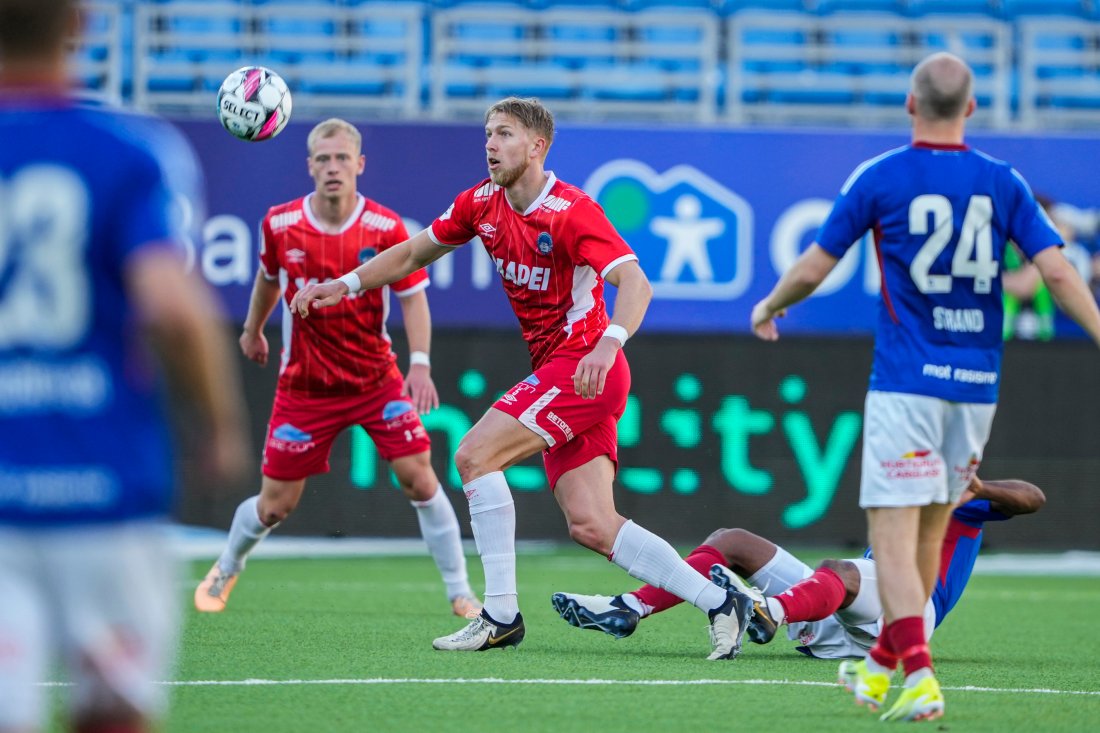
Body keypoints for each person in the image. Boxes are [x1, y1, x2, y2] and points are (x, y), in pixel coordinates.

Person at [290, 97, 750, 658]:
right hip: (565, 374)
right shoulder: (481, 203)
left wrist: (609, 343)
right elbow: (413, 251)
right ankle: (719, 601)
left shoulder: (572, 210)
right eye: (487, 134)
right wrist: (346, 284)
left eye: (503, 135)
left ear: (537, 147)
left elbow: (636, 284)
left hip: (586, 366)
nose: (489, 145)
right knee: (592, 525)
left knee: (474, 456)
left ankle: (500, 616)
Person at [749, 52, 1100, 722]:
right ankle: (880, 668)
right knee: (926, 538)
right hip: (975, 387)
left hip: (908, 382)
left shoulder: (881, 175)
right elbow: (1057, 274)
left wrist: (769, 305)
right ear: (971, 109)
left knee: (890, 535)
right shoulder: (1004, 182)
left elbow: (815, 265)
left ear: (911, 105)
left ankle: (920, 676)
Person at [0, 1, 250, 731]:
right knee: (113, 715)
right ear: (81, 21)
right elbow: (172, 307)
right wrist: (220, 423)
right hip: (103, 488)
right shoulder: (130, 150)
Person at [194, 118, 481, 619]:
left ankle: (460, 591)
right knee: (274, 506)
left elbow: (413, 299)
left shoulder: (387, 228)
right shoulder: (280, 224)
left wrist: (419, 364)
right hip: (305, 386)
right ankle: (227, 565)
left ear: (359, 165)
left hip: (375, 380)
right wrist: (252, 329)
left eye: (342, 158)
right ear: (309, 166)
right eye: (323, 159)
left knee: (420, 477)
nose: (332, 168)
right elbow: (267, 281)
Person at [551, 477, 1044, 663]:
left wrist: (979, 488)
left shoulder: (963, 500)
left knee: (842, 571)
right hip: (841, 613)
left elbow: (1033, 498)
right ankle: (630, 607)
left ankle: (767, 611)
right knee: (730, 542)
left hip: (906, 614)